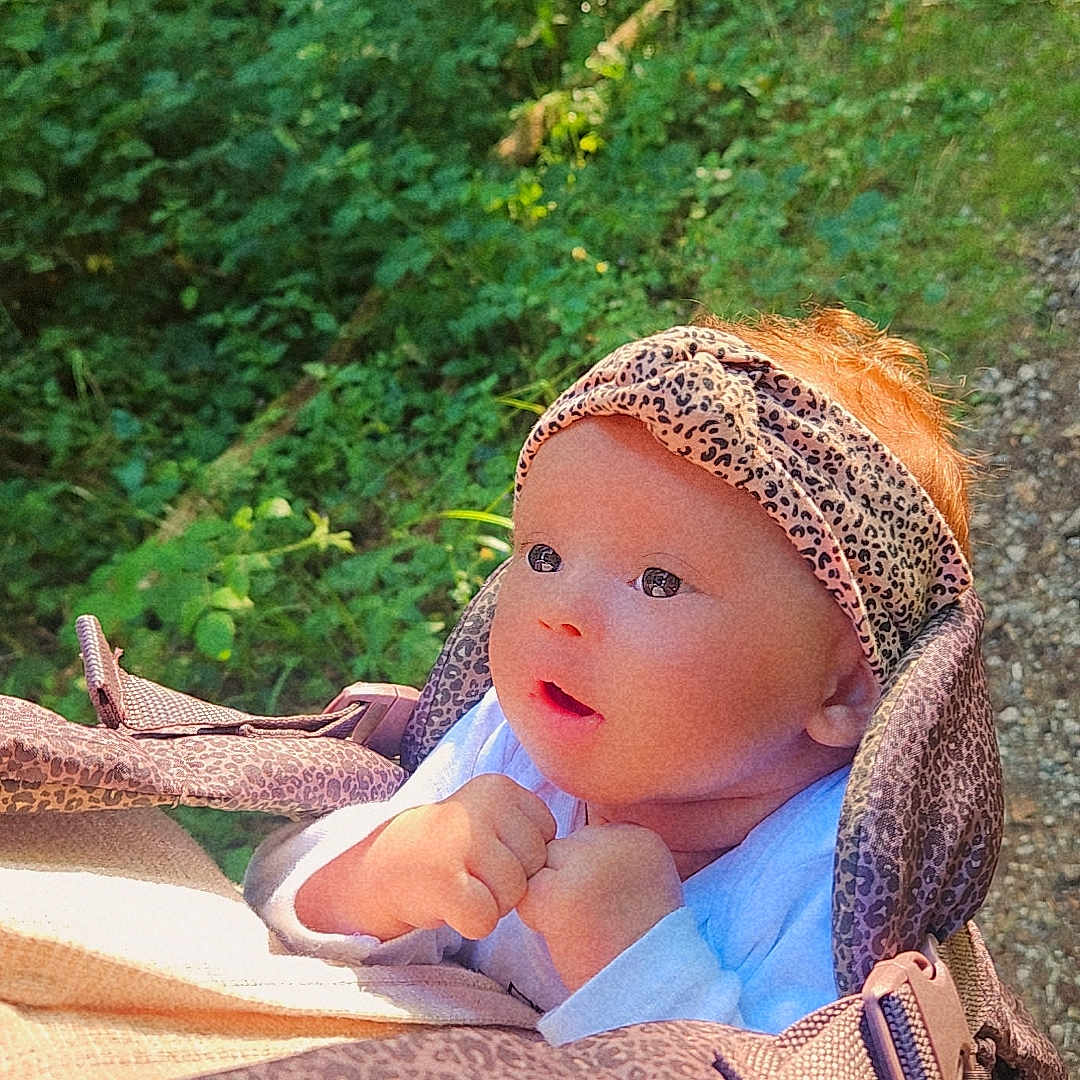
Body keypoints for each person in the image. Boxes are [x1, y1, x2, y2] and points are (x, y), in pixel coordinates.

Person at [243, 308, 975, 1044]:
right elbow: (274, 890)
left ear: (843, 688)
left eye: (658, 581)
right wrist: (386, 873)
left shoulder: (835, 879)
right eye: (542, 557)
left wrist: (634, 964)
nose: (559, 611)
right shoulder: (514, 739)